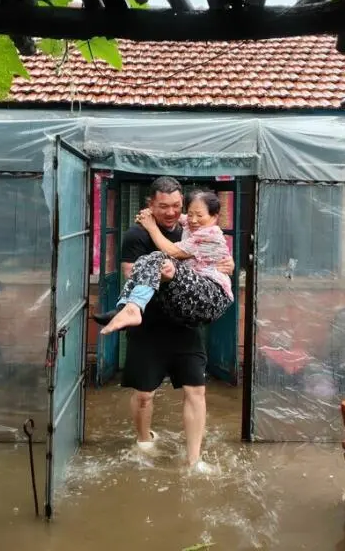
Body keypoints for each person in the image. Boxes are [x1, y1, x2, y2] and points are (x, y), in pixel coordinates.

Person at [111, 176, 234, 472]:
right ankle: (143, 441)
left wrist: (226, 263)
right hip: (150, 325)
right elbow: (130, 272)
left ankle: (194, 459)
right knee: (143, 395)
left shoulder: (192, 228)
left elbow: (205, 254)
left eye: (177, 206)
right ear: (150, 205)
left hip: (184, 326)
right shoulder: (135, 235)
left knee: (196, 390)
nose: (173, 213)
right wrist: (161, 271)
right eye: (163, 206)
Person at [95, 189, 233, 335]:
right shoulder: (192, 223)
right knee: (146, 260)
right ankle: (125, 308)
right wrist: (150, 212)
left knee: (159, 258)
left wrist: (151, 226)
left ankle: (130, 308)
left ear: (214, 217)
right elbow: (178, 216)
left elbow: (172, 251)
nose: (193, 219)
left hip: (212, 296)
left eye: (199, 215)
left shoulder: (209, 235)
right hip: (190, 295)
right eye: (191, 214)